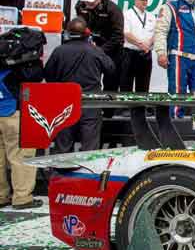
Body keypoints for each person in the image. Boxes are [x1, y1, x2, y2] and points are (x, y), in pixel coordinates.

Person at [44, 18, 116, 153]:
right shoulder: (95, 50)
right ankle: (88, 173)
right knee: (90, 148)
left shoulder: (59, 51)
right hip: (91, 103)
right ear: (86, 33)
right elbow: (111, 69)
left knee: (63, 147)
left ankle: (62, 172)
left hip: (65, 102)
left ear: (67, 33)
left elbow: (48, 74)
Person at [0, 32, 43, 209]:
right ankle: (22, 198)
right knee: (21, 156)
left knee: (0, 159)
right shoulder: (18, 69)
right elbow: (36, 77)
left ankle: (2, 196)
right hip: (13, 113)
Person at [75, 0, 123, 92]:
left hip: (112, 50)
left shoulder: (113, 9)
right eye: (86, 0)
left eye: (91, 0)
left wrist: (100, 50)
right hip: (90, 47)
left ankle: (109, 109)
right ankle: (90, 107)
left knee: (111, 83)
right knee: (88, 79)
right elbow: (81, 26)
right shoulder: (80, 5)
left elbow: (118, 36)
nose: (88, 3)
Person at [120, 0, 156, 93]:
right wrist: (141, 44)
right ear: (135, 0)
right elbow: (126, 33)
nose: (145, 2)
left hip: (146, 54)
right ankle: (126, 109)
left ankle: (140, 109)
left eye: (146, 0)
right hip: (130, 53)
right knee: (126, 84)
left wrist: (148, 44)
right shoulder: (127, 14)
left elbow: (156, 32)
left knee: (144, 85)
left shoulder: (151, 16)